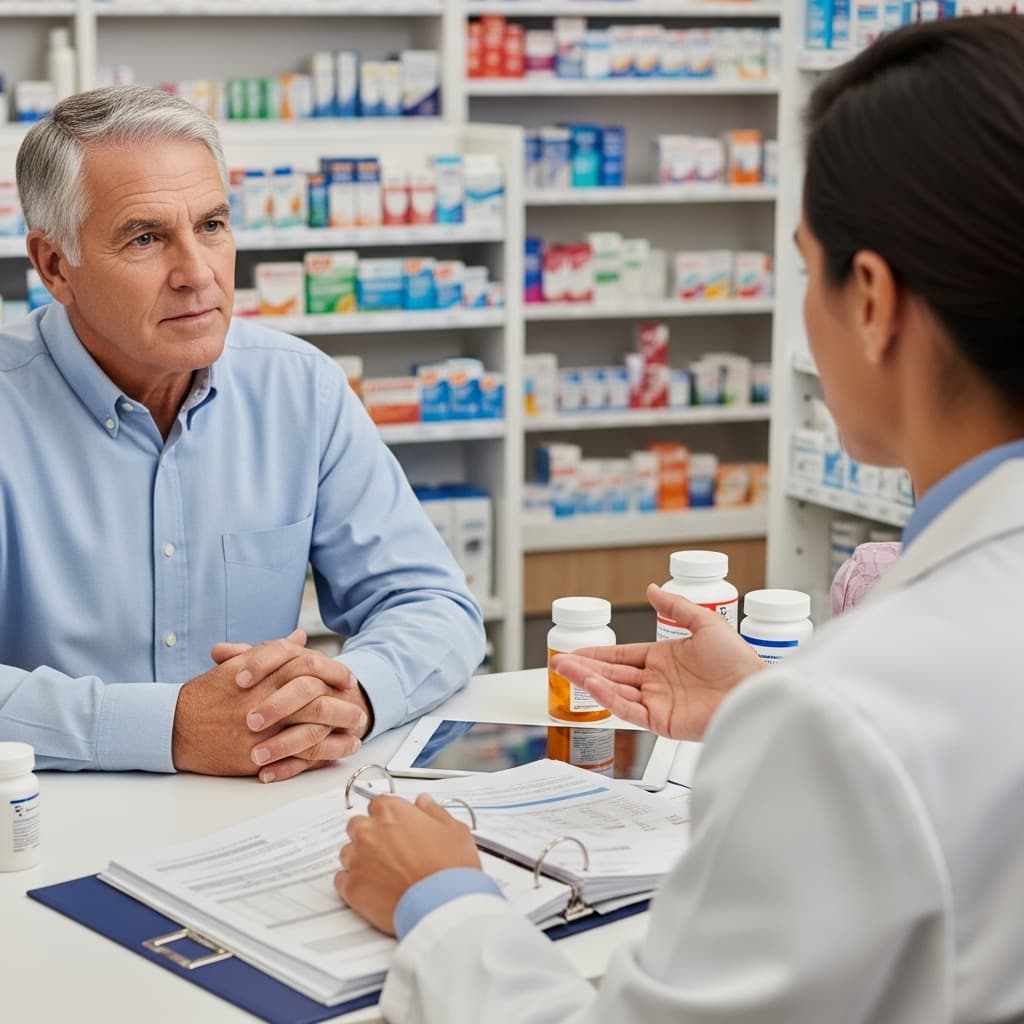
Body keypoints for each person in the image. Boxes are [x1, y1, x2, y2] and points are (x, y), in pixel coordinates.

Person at [336, 16, 1024, 1022]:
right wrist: (767, 702)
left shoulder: (851, 711)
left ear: (870, 299)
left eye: (801, 268)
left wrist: (439, 898)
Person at [0, 86, 484, 783]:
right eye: (145, 238)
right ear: (54, 267)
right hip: (46, 820)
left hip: (261, 808)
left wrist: (352, 695)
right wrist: (166, 730)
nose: (197, 274)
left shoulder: (299, 389)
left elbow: (434, 603)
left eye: (213, 225)